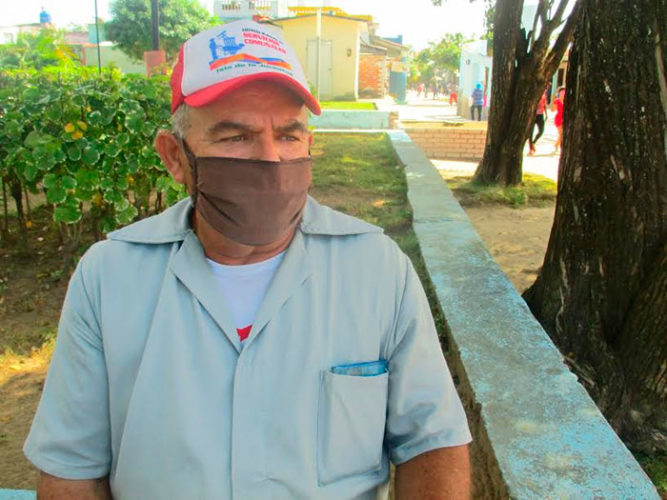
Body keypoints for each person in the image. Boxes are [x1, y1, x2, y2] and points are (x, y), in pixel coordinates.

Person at [23, 20, 472, 499]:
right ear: (174, 157)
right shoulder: (108, 277)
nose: (271, 160)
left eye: (288, 135)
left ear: (309, 145)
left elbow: (433, 445)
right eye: (235, 137)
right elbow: (72, 470)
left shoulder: (378, 271)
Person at [528, 89, 548, 156]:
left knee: (541, 131)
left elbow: (544, 104)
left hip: (540, 115)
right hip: (532, 115)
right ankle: (530, 149)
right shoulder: (533, 92)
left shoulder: (544, 93)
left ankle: (533, 142)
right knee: (531, 133)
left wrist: (546, 114)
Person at [551, 86, 565, 154]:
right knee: (561, 134)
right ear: (559, 93)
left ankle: (556, 145)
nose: (563, 94)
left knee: (562, 134)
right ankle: (558, 146)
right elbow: (552, 110)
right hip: (558, 119)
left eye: (564, 92)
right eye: (562, 92)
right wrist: (554, 103)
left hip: (565, 119)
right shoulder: (557, 101)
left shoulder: (567, 101)